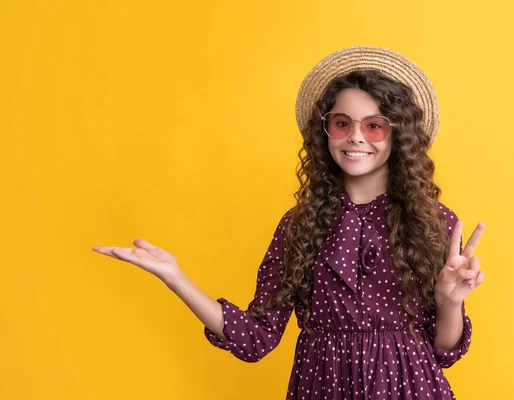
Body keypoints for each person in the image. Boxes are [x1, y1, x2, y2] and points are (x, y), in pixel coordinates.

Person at [92, 46, 486, 399]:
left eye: (374, 125)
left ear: (396, 135)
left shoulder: (433, 222)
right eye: (342, 123)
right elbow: (256, 338)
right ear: (325, 130)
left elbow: (444, 350)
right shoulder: (301, 225)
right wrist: (175, 277)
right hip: (323, 385)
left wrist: (450, 302)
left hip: (410, 387)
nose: (355, 138)